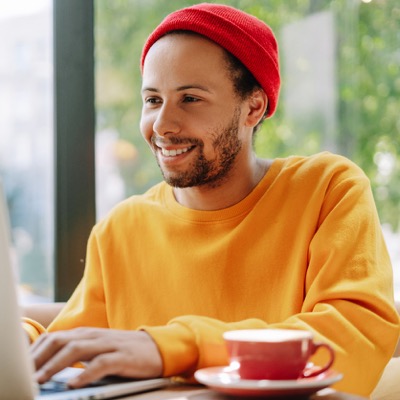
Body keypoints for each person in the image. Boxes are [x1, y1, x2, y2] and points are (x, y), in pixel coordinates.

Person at [23, 3, 399, 397]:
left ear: (252, 107)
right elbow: (70, 347)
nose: (163, 125)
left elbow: (350, 339)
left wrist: (173, 348)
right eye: (152, 100)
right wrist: (18, 339)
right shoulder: (121, 229)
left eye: (190, 98)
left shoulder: (327, 190)